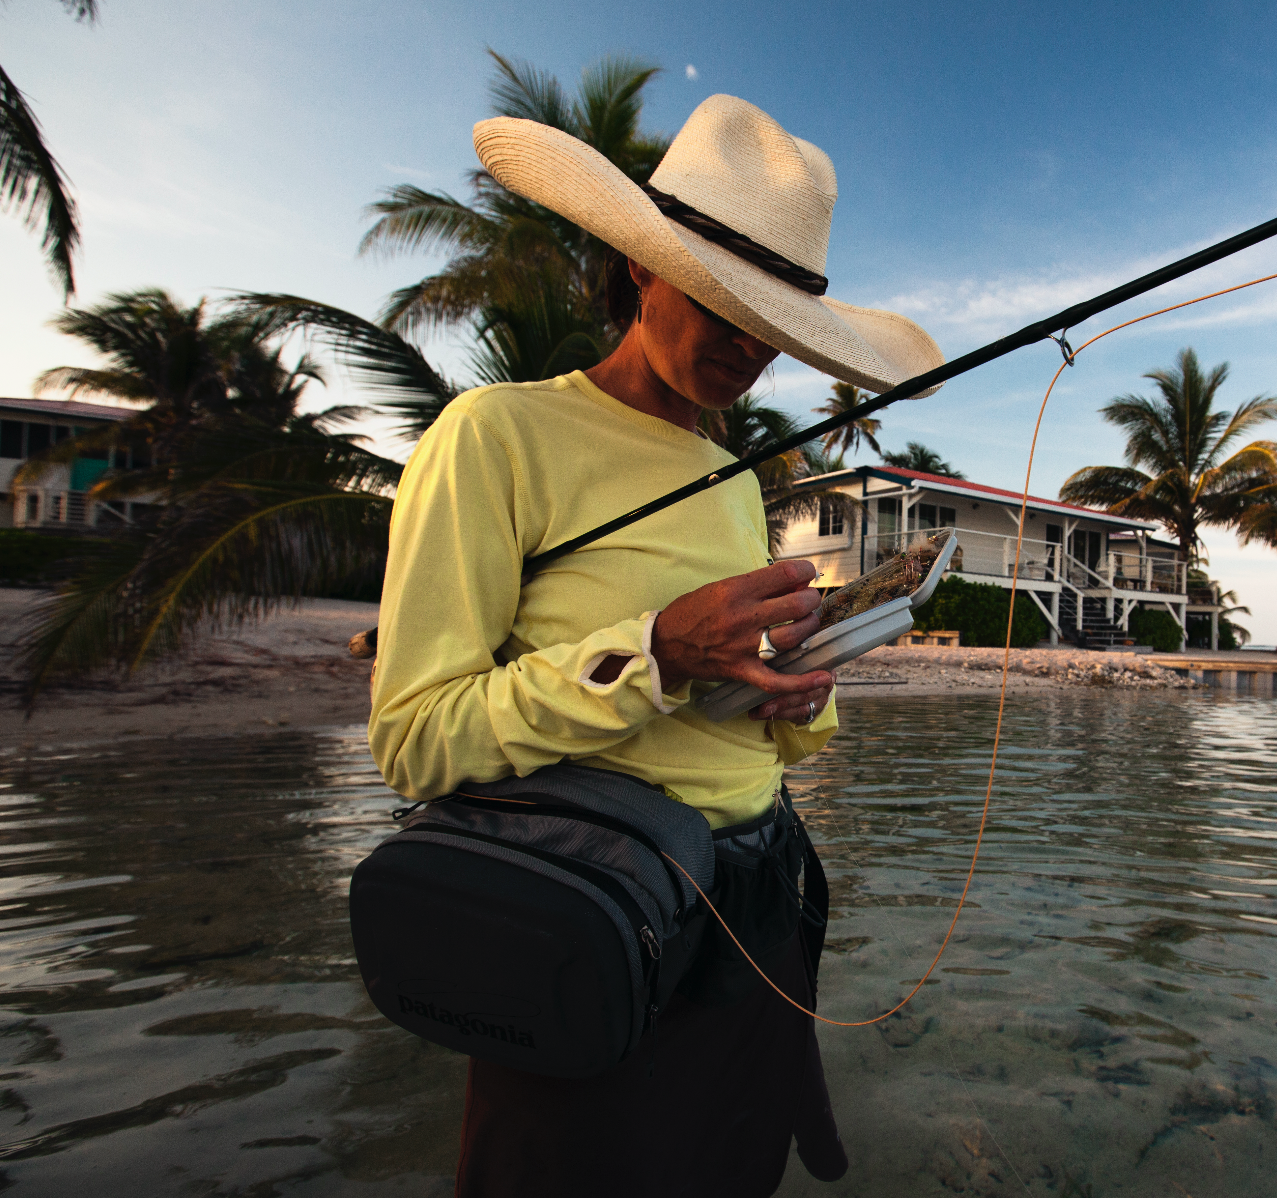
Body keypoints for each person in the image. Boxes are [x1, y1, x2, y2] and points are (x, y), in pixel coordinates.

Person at [367, 95, 944, 1196]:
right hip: (593, 916)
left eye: (770, 325)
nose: (745, 348)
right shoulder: (495, 436)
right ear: (637, 265)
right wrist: (658, 653)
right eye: (721, 304)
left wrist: (799, 694)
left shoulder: (733, 481)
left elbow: (763, 747)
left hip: (755, 914)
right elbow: (413, 739)